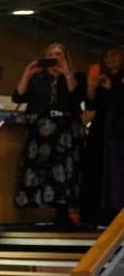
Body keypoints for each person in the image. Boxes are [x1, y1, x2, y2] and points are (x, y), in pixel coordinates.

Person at [13, 42, 84, 227]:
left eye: (59, 54)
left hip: (65, 131)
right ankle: (53, 208)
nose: (54, 57)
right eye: (51, 54)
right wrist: (28, 72)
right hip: (42, 132)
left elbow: (75, 94)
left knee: (66, 170)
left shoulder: (74, 77)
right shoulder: (38, 79)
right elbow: (18, 96)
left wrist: (66, 72)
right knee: (44, 170)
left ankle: (65, 211)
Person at [81, 45, 124, 228]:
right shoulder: (104, 77)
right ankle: (97, 213)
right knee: (97, 169)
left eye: (114, 55)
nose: (110, 59)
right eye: (107, 56)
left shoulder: (118, 79)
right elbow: (91, 105)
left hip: (119, 129)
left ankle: (116, 210)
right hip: (101, 130)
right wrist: (92, 88)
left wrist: (112, 86)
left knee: (116, 172)